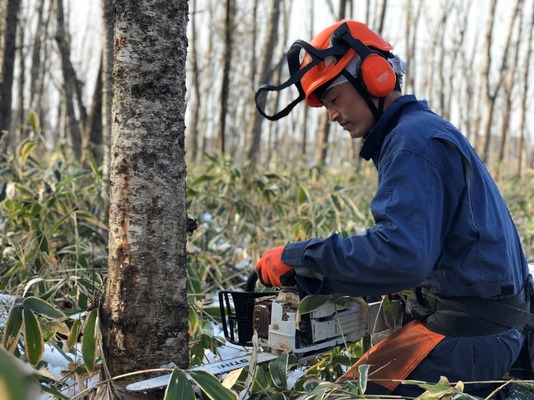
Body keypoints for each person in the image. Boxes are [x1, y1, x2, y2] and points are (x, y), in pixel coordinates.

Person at [254, 19, 532, 397]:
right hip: (477, 323)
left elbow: (401, 256)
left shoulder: (413, 141)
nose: (332, 116)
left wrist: (300, 258)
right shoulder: (419, 132)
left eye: (334, 98)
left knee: (343, 395)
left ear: (375, 78)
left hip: (470, 333)